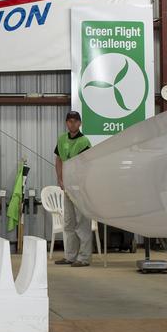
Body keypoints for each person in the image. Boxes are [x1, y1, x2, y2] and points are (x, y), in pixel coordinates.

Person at [54, 110, 94, 267]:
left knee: (82, 223)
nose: (72, 123)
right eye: (70, 121)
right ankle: (70, 256)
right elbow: (58, 160)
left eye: (75, 121)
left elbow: (87, 165)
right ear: (66, 123)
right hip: (66, 187)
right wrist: (60, 178)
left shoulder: (84, 141)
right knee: (69, 223)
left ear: (80, 123)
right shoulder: (62, 139)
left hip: (80, 188)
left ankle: (84, 258)